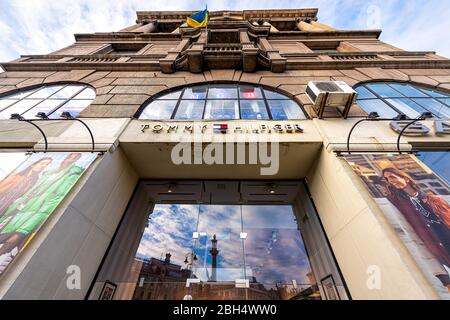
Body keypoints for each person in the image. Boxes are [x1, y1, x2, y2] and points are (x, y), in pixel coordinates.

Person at [0, 153, 85, 274]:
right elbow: (31, 191)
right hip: (21, 208)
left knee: (14, 238)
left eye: (74, 158)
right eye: (70, 156)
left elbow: (58, 196)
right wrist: (19, 202)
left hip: (37, 212)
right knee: (4, 232)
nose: (69, 159)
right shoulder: (48, 173)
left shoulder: (72, 174)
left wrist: (41, 212)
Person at [382, 167, 450, 290]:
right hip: (442, 250)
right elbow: (415, 240)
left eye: (392, 176)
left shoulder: (435, 200)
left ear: (406, 179)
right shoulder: (400, 204)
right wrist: (445, 280)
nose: (390, 180)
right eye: (387, 179)